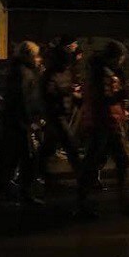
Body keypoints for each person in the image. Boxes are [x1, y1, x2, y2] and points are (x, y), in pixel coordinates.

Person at [77, 42, 129, 217]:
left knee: (97, 162)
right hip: (105, 123)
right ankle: (87, 203)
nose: (121, 61)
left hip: (105, 122)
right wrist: (123, 95)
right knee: (117, 161)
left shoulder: (99, 71)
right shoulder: (103, 74)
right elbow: (105, 98)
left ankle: (86, 202)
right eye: (120, 58)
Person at [0, 41, 42, 204]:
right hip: (21, 123)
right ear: (29, 56)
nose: (38, 59)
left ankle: (5, 189)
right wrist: (30, 121)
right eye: (36, 55)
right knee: (29, 158)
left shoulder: (18, 71)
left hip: (14, 121)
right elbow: (23, 100)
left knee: (12, 157)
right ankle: (24, 192)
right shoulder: (24, 73)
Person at [37, 37, 82, 181]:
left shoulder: (66, 71)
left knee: (49, 147)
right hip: (56, 113)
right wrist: (68, 91)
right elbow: (48, 93)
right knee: (70, 144)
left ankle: (35, 171)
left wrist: (75, 96)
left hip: (63, 111)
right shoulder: (51, 74)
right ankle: (82, 176)